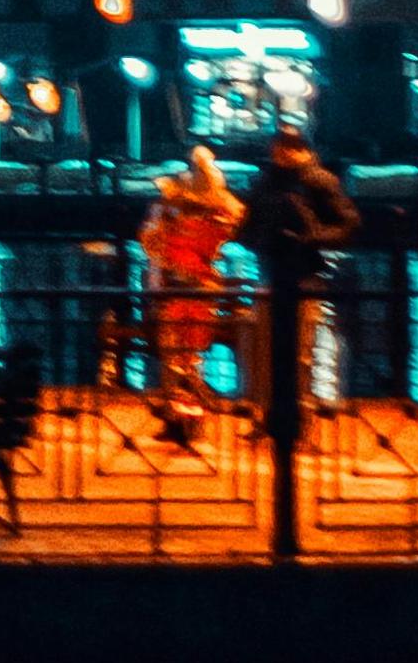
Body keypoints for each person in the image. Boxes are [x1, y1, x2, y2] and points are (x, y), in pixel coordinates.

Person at [241, 124, 361, 409]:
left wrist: (311, 239)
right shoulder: (267, 182)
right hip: (272, 273)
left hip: (304, 275)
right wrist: (260, 239)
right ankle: (270, 412)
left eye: (285, 147)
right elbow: (247, 225)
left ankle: (297, 413)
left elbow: (349, 224)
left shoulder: (317, 181)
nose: (280, 154)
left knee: (300, 350)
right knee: (267, 347)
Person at [137, 144, 239, 446]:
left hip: (194, 290)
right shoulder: (182, 224)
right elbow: (151, 244)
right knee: (180, 356)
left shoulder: (208, 224)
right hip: (182, 290)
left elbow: (153, 244)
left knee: (186, 356)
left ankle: (189, 418)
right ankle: (179, 417)